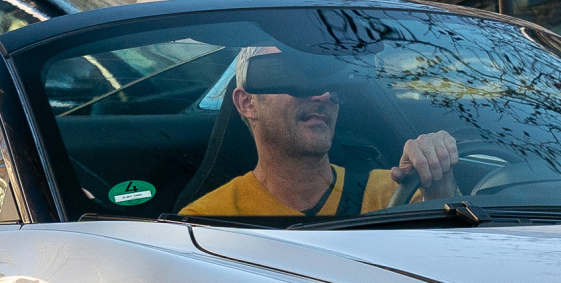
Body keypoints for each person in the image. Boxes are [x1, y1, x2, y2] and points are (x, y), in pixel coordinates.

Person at [180, 46, 460, 218]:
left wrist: (439, 187)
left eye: (327, 78)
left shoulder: (395, 192)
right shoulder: (206, 220)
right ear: (247, 103)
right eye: (291, 75)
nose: (322, 94)